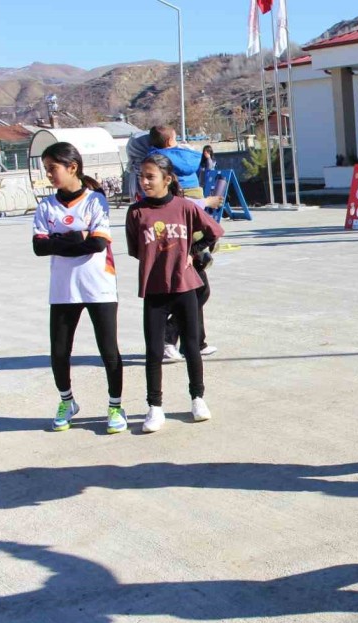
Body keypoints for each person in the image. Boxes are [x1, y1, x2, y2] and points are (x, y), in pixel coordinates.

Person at [31, 142, 127, 434]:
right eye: (46, 169)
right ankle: (66, 402)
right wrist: (77, 237)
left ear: (72, 167)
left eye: (52, 168)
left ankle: (114, 406)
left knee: (108, 350)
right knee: (59, 351)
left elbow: (98, 243)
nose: (48, 174)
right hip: (63, 289)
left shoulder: (96, 201)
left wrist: (58, 240)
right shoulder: (46, 206)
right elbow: (38, 247)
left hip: (98, 286)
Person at [125, 153, 224, 433]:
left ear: (167, 180)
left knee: (191, 346)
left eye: (150, 176)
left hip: (185, 286)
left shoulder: (185, 207)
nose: (144, 182)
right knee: (154, 350)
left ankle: (197, 399)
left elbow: (213, 232)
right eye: (141, 176)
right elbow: (136, 250)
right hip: (155, 288)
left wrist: (192, 252)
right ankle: (155, 407)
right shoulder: (136, 212)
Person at [145, 125, 206, 199]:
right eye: (175, 139)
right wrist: (188, 150)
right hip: (194, 191)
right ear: (169, 141)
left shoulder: (154, 157)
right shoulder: (186, 155)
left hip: (171, 192)